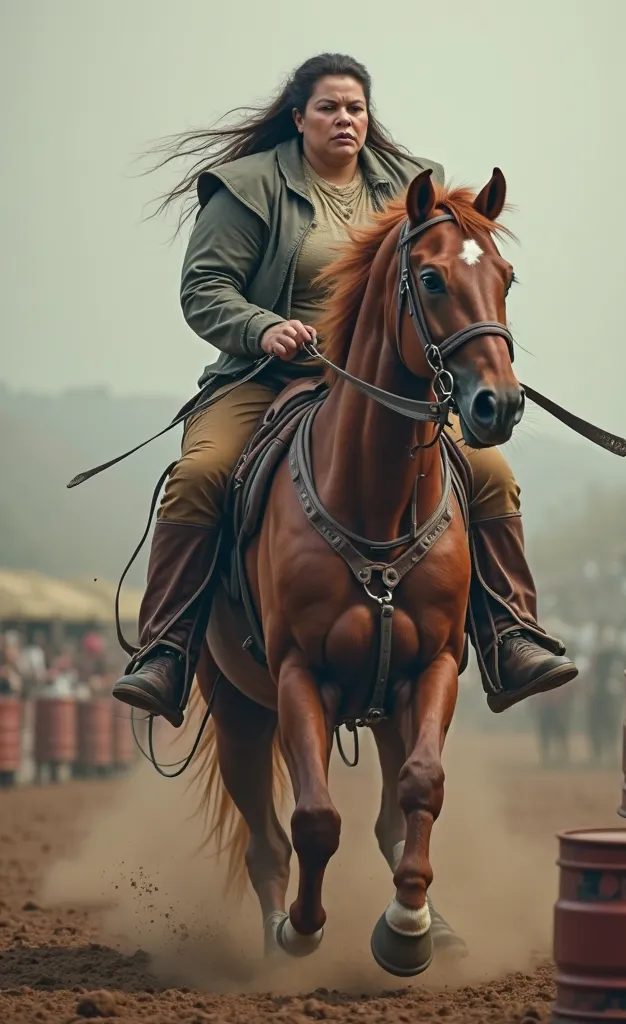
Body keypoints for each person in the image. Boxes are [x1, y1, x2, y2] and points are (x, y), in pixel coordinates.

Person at [113, 53, 577, 728]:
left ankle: (511, 636)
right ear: (298, 118)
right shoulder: (246, 189)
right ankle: (166, 650)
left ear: (368, 117)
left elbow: (454, 272)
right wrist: (263, 327)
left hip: (386, 390)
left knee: (492, 474)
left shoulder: (413, 190)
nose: (345, 119)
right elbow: (203, 290)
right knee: (200, 473)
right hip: (266, 376)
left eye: (356, 108)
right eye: (328, 107)